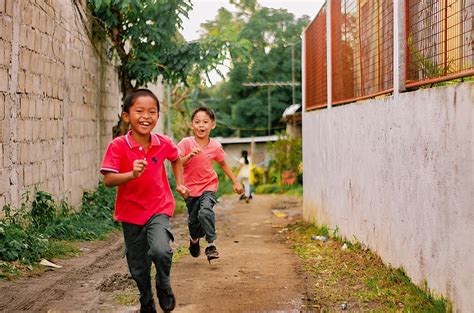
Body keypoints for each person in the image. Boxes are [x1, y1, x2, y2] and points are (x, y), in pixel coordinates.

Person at [100, 89, 188, 313]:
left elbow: (176, 158)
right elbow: (108, 180)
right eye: (139, 111)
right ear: (126, 116)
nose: (146, 116)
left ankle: (163, 284)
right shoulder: (118, 146)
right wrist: (131, 174)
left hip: (159, 209)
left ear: (158, 116)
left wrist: (179, 183)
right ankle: (146, 299)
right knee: (138, 268)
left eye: (152, 111)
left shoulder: (163, 143)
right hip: (130, 214)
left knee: (161, 250)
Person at [178, 107, 243, 263]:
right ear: (191, 125)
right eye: (197, 122)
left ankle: (211, 245)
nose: (201, 125)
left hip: (209, 186)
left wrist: (235, 181)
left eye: (205, 122)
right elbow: (177, 163)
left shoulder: (215, 146)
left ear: (212, 125)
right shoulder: (186, 143)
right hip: (190, 190)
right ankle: (194, 241)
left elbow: (223, 164)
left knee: (205, 212)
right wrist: (189, 156)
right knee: (194, 222)